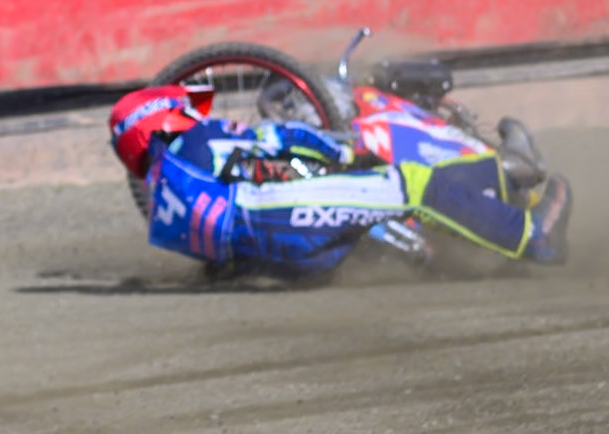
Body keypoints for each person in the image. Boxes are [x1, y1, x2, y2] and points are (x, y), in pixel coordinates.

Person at [109, 84, 571, 276]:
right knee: (408, 186)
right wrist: (340, 147)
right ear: (162, 120)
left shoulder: (166, 197)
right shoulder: (198, 143)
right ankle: (534, 236)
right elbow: (277, 139)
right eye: (185, 110)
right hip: (287, 223)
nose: (195, 114)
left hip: (287, 255)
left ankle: (501, 174)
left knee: (393, 189)